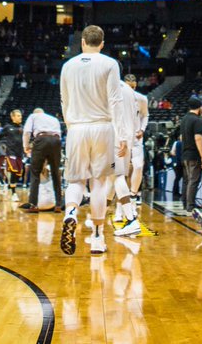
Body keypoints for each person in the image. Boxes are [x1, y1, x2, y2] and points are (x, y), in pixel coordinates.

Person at [57, 25, 132, 255]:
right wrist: (122, 135)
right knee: (99, 183)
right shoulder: (110, 64)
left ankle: (71, 213)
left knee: (75, 182)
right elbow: (115, 101)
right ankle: (98, 238)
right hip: (103, 127)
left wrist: (71, 127)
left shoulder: (67, 66)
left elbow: (64, 101)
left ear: (82, 42)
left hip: (77, 127)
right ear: (102, 43)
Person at [113, 74, 148, 226]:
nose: (131, 89)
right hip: (121, 139)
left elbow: (145, 115)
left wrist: (142, 129)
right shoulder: (117, 96)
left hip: (136, 139)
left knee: (138, 167)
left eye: (133, 87)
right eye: (129, 86)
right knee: (122, 174)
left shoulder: (141, 98)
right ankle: (119, 209)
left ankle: (133, 197)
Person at [21, 107, 62, 212]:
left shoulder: (33, 116)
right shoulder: (54, 119)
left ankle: (33, 205)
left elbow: (27, 132)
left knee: (35, 172)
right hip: (56, 140)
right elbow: (59, 134)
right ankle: (58, 204)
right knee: (55, 172)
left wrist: (26, 146)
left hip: (41, 139)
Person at [178, 98, 202, 213]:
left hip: (184, 153)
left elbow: (181, 137)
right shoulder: (197, 120)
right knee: (194, 180)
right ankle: (190, 206)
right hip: (193, 154)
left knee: (186, 180)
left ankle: (185, 203)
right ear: (200, 107)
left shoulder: (184, 119)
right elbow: (198, 138)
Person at [0, 109, 26, 198]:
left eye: (20, 115)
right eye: (18, 116)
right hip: (11, 153)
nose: (20, 117)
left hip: (20, 153)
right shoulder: (7, 127)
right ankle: (14, 193)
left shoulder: (23, 128)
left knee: (19, 174)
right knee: (13, 171)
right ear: (12, 117)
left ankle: (8, 185)